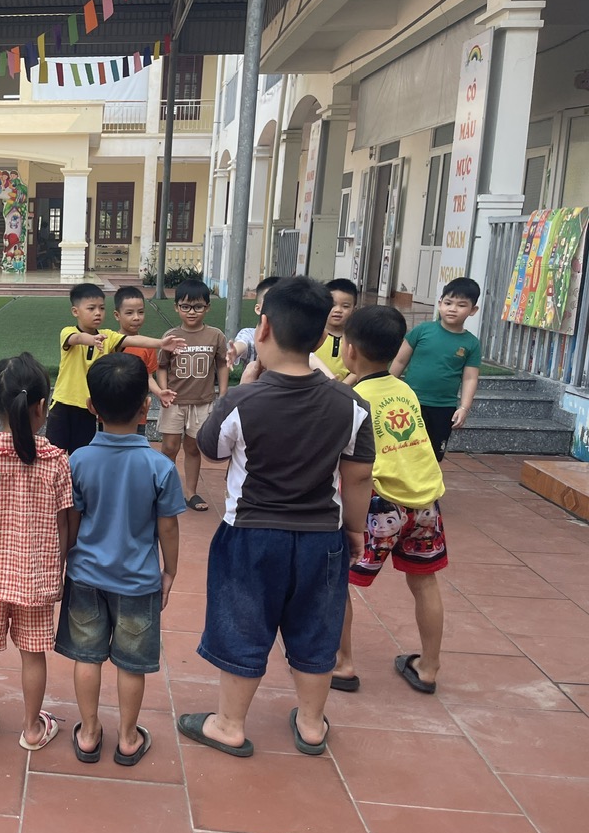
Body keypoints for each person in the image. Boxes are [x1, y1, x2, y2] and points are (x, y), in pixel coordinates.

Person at [176, 277, 375, 759]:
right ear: (322, 337)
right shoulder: (351, 405)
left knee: (242, 625)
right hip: (322, 538)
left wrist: (240, 390)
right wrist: (354, 530)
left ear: (262, 328)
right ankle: (311, 723)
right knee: (316, 628)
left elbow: (211, 449)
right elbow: (359, 476)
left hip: (250, 537)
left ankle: (229, 724)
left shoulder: (244, 401)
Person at [57, 352, 185, 766]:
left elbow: (72, 521)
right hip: (138, 581)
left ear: (91, 407)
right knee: (131, 665)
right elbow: (168, 528)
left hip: (85, 576)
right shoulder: (160, 467)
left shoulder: (77, 460)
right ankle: (128, 738)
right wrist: (169, 571)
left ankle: (89, 732)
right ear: (146, 408)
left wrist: (65, 561)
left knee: (86, 657)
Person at [0, 353, 72, 750]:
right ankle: (32, 728)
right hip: (35, 577)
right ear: (42, 406)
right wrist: (59, 570)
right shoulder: (56, 462)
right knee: (33, 654)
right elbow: (63, 525)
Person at [334, 306, 448, 694]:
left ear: (350, 350)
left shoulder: (351, 399)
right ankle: (428, 667)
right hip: (424, 502)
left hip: (378, 504)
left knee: (336, 582)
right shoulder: (405, 390)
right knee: (425, 582)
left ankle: (342, 664)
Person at [48, 283, 186, 454]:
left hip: (89, 408)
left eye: (101, 308)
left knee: (82, 454)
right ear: (75, 311)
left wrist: (161, 343)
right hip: (62, 405)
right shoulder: (67, 332)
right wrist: (91, 340)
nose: (98, 313)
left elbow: (133, 340)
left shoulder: (108, 336)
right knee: (54, 454)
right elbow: (76, 338)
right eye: (91, 308)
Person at [391, 276, 482, 461]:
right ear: (440, 304)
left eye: (461, 305)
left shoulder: (471, 343)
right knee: (402, 449)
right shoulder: (422, 330)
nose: (453, 309)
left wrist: (464, 407)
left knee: (433, 454)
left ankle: (427, 480)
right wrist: (387, 387)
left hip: (443, 408)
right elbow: (400, 361)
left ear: (473, 310)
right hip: (410, 402)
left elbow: (470, 378)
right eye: (448, 303)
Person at [158, 278, 229, 511]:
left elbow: (222, 364)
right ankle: (165, 490)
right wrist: (163, 391)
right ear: (176, 307)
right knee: (169, 447)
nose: (191, 312)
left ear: (207, 307)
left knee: (192, 447)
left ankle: (191, 492)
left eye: (198, 306)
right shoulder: (171, 335)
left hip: (202, 402)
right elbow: (161, 366)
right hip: (174, 402)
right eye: (185, 306)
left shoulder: (215, 336)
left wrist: (223, 393)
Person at [228, 277, 333, 384]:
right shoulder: (249, 334)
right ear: (258, 309)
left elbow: (311, 359)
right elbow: (243, 343)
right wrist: (235, 351)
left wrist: (331, 379)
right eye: (269, 301)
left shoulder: (294, 338)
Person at [113, 286, 174, 441]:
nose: (136, 317)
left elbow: (148, 377)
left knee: (135, 449)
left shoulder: (148, 346)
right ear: (117, 315)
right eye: (129, 313)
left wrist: (159, 392)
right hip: (111, 411)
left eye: (140, 312)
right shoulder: (109, 343)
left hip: (137, 412)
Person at [313, 278, 358, 379]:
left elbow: (359, 367)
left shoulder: (354, 338)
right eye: (333, 305)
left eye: (345, 306)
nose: (338, 310)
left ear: (354, 310)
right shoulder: (313, 334)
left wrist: (343, 385)